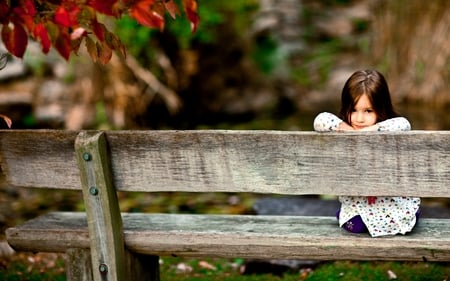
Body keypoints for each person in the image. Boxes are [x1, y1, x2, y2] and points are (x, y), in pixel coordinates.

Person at [313, 69, 420, 237]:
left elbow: (403, 123)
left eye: (368, 111)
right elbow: (320, 119)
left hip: (389, 204)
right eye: (353, 110)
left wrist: (371, 130)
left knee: (355, 225)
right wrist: (346, 129)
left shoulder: (388, 129)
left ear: (381, 109)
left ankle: (397, 219)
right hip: (360, 204)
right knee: (356, 224)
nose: (359, 119)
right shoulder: (343, 129)